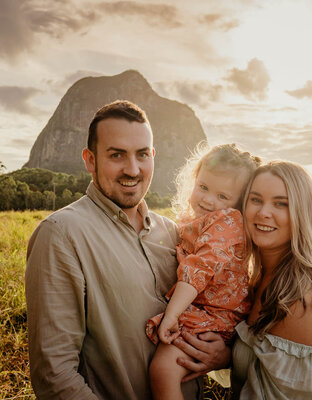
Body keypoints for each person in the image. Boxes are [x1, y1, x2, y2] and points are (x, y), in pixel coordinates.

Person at [25, 100, 228, 400]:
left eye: (142, 154)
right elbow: (55, 376)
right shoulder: (61, 235)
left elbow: (210, 310)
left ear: (153, 157)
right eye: (117, 155)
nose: (132, 169)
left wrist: (222, 356)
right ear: (90, 160)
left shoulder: (172, 232)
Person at [145, 144, 261, 400]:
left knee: (163, 371)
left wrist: (171, 316)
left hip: (217, 315)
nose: (208, 200)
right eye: (204, 187)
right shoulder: (199, 219)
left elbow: (198, 270)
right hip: (205, 309)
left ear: (239, 203)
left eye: (223, 196)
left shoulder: (228, 222)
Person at [231, 160, 312, 400]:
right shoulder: (254, 277)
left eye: (281, 204)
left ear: (302, 213)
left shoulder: (301, 298)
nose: (263, 212)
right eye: (256, 200)